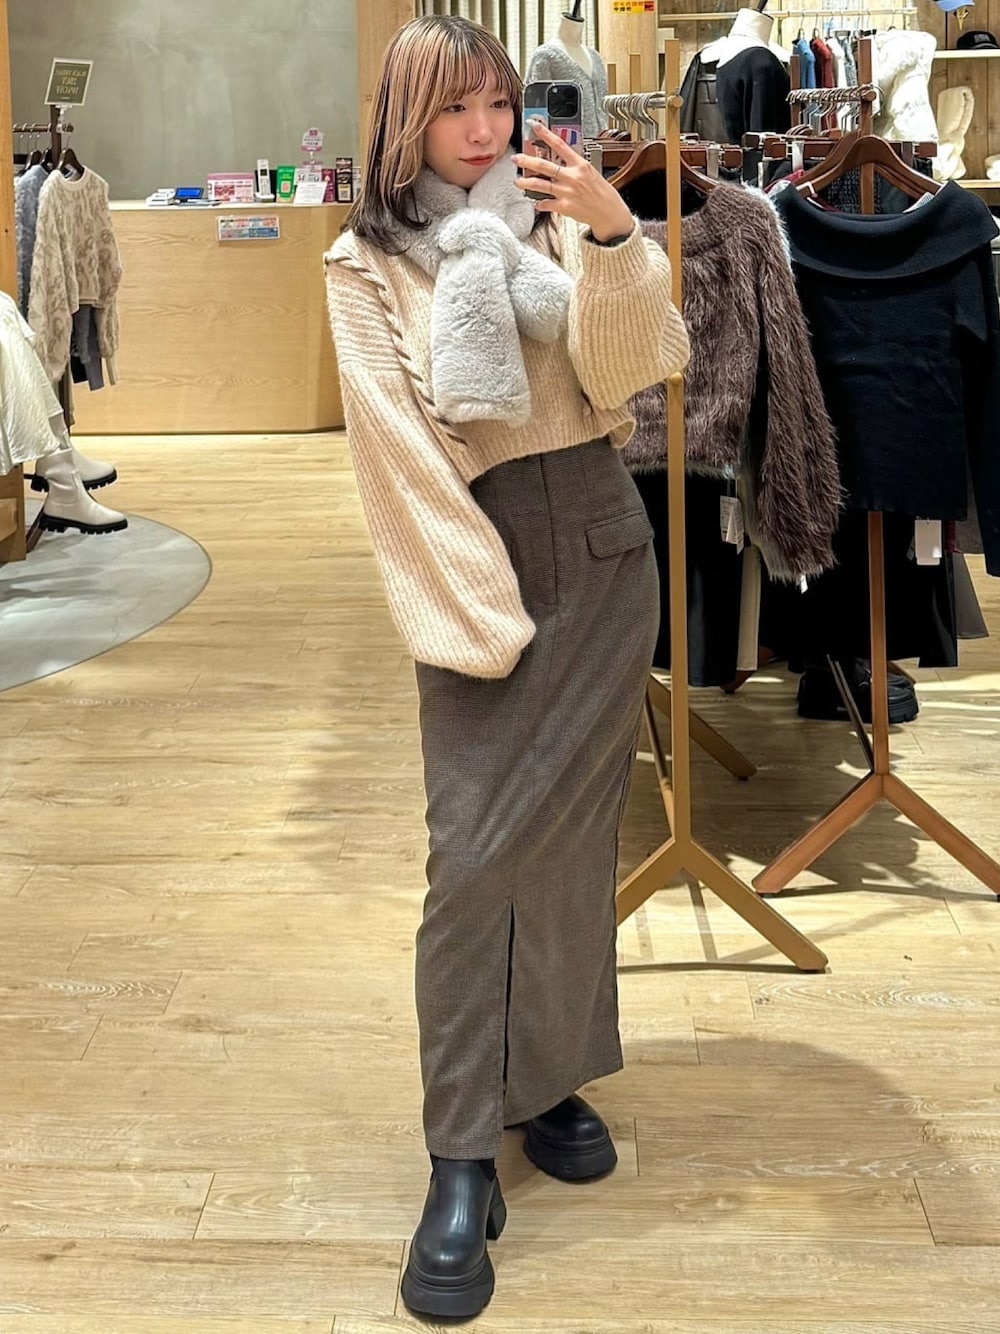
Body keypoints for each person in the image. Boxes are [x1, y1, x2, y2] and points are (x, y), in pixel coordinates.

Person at [325, 14, 689, 1319]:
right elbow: (397, 453)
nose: (483, 130)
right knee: (474, 854)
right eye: (453, 108)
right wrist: (478, 614)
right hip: (472, 549)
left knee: (574, 840)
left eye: (497, 102)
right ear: (404, 120)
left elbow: (632, 371)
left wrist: (615, 235)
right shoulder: (366, 262)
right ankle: (459, 1149)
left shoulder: (553, 214)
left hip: (599, 538)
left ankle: (545, 1079)